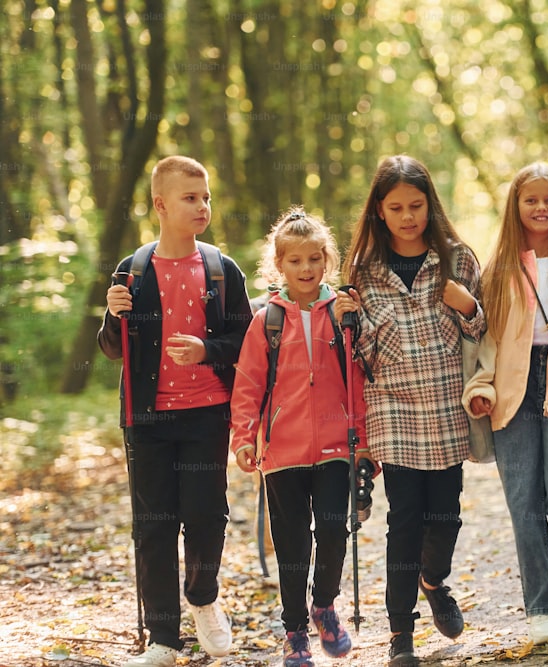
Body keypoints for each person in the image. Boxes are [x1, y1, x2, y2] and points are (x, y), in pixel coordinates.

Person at [98, 156, 252, 667]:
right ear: (160, 205)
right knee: (154, 524)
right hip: (148, 420)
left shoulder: (220, 269)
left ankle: (204, 599)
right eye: (190, 198)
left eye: (205, 197)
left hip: (207, 413)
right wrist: (113, 313)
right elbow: (112, 347)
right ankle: (164, 636)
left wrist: (207, 350)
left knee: (206, 517)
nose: (202, 206)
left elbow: (246, 341)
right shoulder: (133, 270)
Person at [335, 155, 486, 667]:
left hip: (445, 405)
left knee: (446, 516)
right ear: (379, 210)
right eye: (396, 207)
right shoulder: (361, 271)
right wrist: (343, 322)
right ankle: (401, 633)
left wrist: (468, 307)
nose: (407, 216)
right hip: (392, 407)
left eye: (416, 205)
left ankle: (433, 580)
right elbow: (350, 352)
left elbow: (484, 335)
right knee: (404, 520)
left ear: (430, 204)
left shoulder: (458, 260)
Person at [230, 208, 370, 667]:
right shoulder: (266, 320)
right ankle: (294, 632)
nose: (306, 269)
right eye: (295, 261)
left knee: (333, 529)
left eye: (314, 258)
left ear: (327, 260)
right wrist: (244, 438)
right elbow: (248, 384)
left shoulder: (343, 313)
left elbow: (360, 378)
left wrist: (364, 440)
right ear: (279, 265)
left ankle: (324, 605)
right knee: (292, 545)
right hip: (282, 451)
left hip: (336, 446)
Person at [461, 162, 548, 646]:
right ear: (515, 207)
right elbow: (487, 339)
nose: (541, 208)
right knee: (523, 501)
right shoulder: (499, 267)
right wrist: (482, 386)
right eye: (530, 200)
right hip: (511, 388)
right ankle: (541, 606)